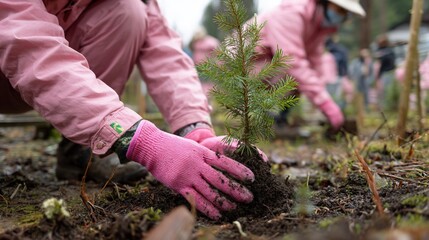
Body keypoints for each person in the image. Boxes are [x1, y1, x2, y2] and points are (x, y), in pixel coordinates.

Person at [0, 0, 262, 220]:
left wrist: (195, 129)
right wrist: (138, 139)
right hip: (9, 67)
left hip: (43, 76)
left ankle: (80, 153)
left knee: (128, 11)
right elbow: (27, 45)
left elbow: (165, 54)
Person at [252, 0, 366, 130]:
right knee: (296, 75)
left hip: (266, 68)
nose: (343, 16)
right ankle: (262, 119)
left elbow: (315, 64)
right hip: (243, 66)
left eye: (346, 13)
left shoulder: (317, 29)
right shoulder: (291, 14)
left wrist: (326, 98)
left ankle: (279, 120)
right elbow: (292, 61)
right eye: (340, 10)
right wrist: (325, 103)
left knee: (301, 77)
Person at [374, 34, 396, 110]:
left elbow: (383, 63)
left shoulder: (386, 52)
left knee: (386, 90)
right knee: (384, 90)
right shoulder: (383, 51)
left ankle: (386, 106)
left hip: (387, 73)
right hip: (386, 73)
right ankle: (384, 106)